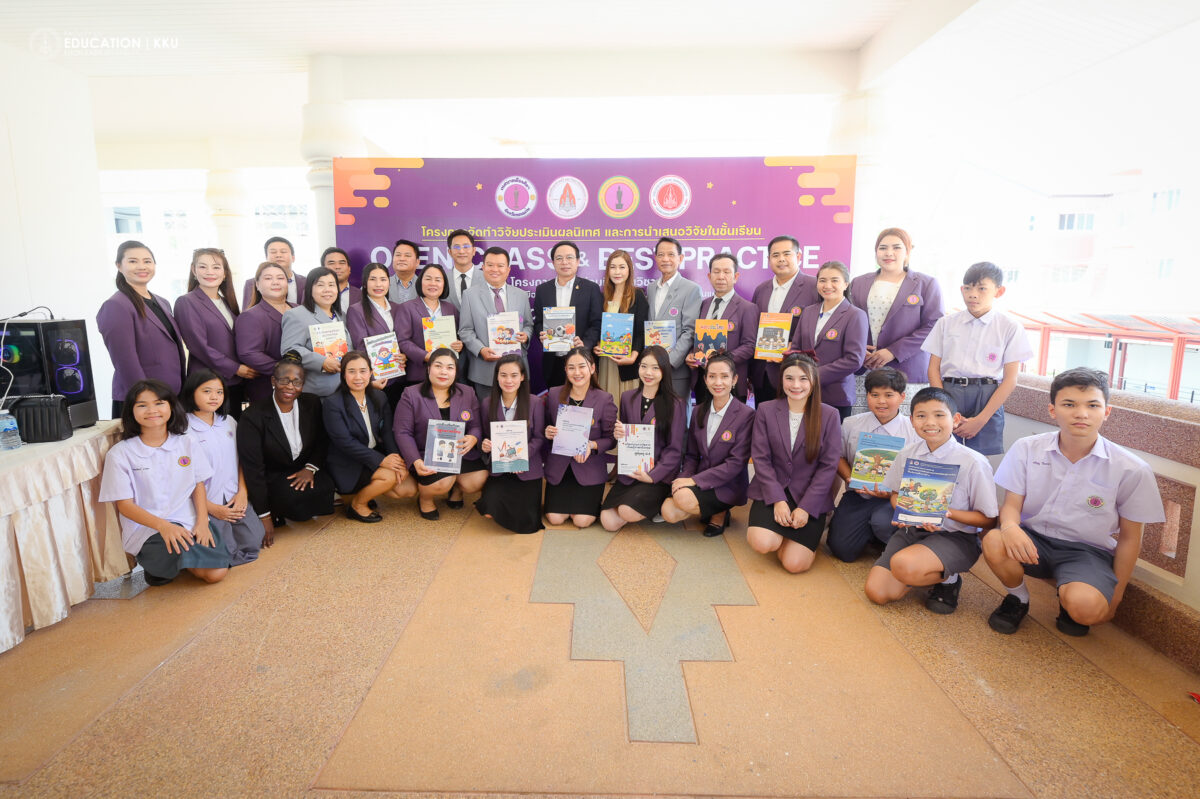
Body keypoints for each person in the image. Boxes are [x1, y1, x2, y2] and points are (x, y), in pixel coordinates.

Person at [982, 367, 1165, 636]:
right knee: (993, 541)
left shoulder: (1131, 468)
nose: (1081, 413)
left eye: (1092, 405)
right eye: (1069, 404)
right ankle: (1018, 598)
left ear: (1107, 411)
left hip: (1086, 551)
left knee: (1088, 610)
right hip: (1033, 540)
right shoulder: (1027, 448)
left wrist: (1116, 597)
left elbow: (1129, 538)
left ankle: (1070, 597)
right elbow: (1011, 505)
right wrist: (1010, 527)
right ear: (1052, 410)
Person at [863, 387, 999, 614]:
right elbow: (895, 494)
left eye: (939, 415)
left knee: (903, 565)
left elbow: (989, 520)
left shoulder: (973, 462)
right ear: (912, 421)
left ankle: (950, 579)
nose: (930, 422)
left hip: (954, 537)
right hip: (911, 531)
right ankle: (921, 566)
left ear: (955, 419)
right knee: (877, 593)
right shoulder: (907, 453)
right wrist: (904, 511)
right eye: (921, 416)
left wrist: (946, 514)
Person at [98, 379, 229, 585]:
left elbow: (198, 484)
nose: (152, 410)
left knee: (217, 573)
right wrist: (164, 526)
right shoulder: (120, 454)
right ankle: (163, 564)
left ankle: (168, 567)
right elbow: (125, 506)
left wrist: (203, 522)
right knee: (207, 570)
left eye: (159, 403)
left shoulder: (187, 442)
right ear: (131, 411)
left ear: (171, 406)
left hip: (188, 520)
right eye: (142, 405)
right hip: (149, 528)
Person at [923, 261, 1033, 456]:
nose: (973, 294)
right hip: (948, 393)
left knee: (980, 462)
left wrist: (981, 420)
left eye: (982, 288)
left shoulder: (1009, 326)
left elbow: (1010, 379)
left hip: (988, 396)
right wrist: (945, 408)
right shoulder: (946, 323)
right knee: (943, 455)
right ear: (961, 290)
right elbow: (933, 369)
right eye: (968, 288)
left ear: (999, 291)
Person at [745, 353, 841, 573]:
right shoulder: (766, 410)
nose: (796, 385)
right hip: (773, 490)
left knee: (794, 565)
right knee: (762, 543)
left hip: (809, 495)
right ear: (781, 380)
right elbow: (761, 459)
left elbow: (828, 467)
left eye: (803, 379)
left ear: (814, 381)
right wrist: (778, 500)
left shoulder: (830, 415)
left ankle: (805, 531)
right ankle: (780, 534)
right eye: (789, 378)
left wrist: (806, 508)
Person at [236, 353, 335, 546]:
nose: (290, 386)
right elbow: (253, 469)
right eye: (284, 380)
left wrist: (310, 468)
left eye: (297, 382)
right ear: (273, 381)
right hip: (273, 474)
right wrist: (264, 516)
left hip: (302, 468)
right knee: (290, 498)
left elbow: (322, 440)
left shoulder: (312, 403)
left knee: (325, 487)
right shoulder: (253, 416)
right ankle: (275, 510)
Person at [826, 368, 919, 562]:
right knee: (841, 549)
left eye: (889, 395)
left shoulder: (914, 430)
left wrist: (893, 492)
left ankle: (882, 535)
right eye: (874, 395)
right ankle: (869, 532)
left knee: (882, 522)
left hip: (895, 499)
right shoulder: (851, 424)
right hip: (859, 494)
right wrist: (850, 479)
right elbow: (838, 456)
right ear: (867, 395)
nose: (881, 401)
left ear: (902, 397)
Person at [661, 353, 754, 537]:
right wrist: (683, 479)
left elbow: (736, 464)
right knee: (668, 512)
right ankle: (707, 507)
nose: (718, 382)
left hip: (729, 483)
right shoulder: (698, 411)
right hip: (702, 476)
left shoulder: (746, 415)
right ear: (705, 380)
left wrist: (694, 481)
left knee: (682, 499)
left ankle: (720, 511)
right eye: (712, 376)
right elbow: (692, 456)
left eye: (724, 376)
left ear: (734, 380)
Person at [393, 348, 487, 520]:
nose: (444, 372)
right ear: (429, 368)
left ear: (456, 371)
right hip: (427, 455)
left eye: (450, 367)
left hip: (460, 453)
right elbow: (402, 432)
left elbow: (476, 426)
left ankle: (456, 490)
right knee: (442, 482)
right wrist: (416, 460)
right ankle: (425, 499)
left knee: (477, 480)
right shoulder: (411, 394)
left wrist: (473, 437)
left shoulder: (467, 392)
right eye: (438, 366)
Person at [181, 369, 264, 564]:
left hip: (233, 495)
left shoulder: (229, 422)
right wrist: (211, 508)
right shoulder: (182, 427)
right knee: (224, 551)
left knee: (254, 541)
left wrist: (242, 492)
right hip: (205, 501)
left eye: (219, 392)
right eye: (207, 391)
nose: (214, 397)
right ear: (192, 392)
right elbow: (182, 476)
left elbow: (241, 459)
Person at [322, 351, 416, 523]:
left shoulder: (379, 396)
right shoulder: (332, 403)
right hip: (347, 461)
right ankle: (357, 505)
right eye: (351, 371)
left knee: (408, 489)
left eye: (363, 371)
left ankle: (364, 492)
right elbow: (345, 443)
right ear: (343, 375)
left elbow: (387, 432)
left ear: (371, 373)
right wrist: (382, 460)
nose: (358, 377)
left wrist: (396, 460)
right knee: (389, 477)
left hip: (371, 455)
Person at [601, 346, 685, 532]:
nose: (648, 373)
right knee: (608, 522)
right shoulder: (627, 397)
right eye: (644, 366)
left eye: (655, 368)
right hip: (631, 472)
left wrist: (652, 475)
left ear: (664, 370)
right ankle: (637, 502)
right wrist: (619, 434)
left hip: (657, 475)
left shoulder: (675, 404)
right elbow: (626, 436)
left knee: (627, 511)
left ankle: (660, 501)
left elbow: (674, 450)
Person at [97, 240, 186, 417]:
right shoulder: (116, 305)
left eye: (147, 261)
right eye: (133, 261)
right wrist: (145, 398)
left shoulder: (162, 302)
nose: (142, 266)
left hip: (169, 394)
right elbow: (125, 360)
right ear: (118, 266)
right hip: (142, 400)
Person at [849, 227, 944, 384]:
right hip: (863, 367)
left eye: (896, 247)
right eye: (882, 248)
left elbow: (934, 326)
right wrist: (858, 348)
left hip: (906, 369)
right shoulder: (858, 282)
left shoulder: (926, 283)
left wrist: (893, 351)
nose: (888, 253)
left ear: (907, 252)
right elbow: (848, 321)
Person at [174, 247, 256, 419]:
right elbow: (199, 346)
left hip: (233, 382)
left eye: (216, 267)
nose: (209, 272)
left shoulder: (227, 302)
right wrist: (235, 368)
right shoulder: (186, 302)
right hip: (206, 383)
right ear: (194, 270)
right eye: (203, 266)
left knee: (231, 430)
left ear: (225, 273)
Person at [543, 347, 617, 528]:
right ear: (565, 370)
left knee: (581, 521)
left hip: (589, 467)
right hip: (560, 467)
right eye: (571, 367)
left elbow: (611, 440)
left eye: (582, 366)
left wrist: (591, 445)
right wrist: (548, 432)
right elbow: (546, 427)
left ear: (592, 368)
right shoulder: (554, 395)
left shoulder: (604, 399)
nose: (577, 372)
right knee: (555, 518)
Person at [475, 354, 546, 534]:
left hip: (526, 468)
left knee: (527, 522)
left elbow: (539, 438)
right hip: (500, 469)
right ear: (497, 377)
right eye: (503, 375)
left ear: (522, 377)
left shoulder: (535, 403)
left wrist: (519, 457)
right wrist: (485, 445)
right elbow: (485, 435)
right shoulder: (487, 403)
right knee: (489, 509)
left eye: (514, 375)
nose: (508, 380)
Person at [792, 260, 868, 420]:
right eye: (822, 280)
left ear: (846, 284)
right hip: (803, 392)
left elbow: (854, 359)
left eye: (834, 280)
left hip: (836, 395)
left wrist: (813, 375)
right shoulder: (808, 312)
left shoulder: (855, 315)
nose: (827, 286)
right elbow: (796, 348)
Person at [457, 246, 533, 401]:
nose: (495, 270)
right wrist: (480, 349)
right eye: (490, 265)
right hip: (484, 370)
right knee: (487, 412)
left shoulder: (521, 295)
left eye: (500, 265)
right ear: (483, 267)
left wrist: (525, 336)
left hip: (516, 369)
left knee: (518, 412)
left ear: (508, 269)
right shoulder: (470, 295)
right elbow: (465, 330)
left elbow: (528, 324)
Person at [749, 235, 820, 402]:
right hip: (763, 374)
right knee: (765, 416)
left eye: (787, 254)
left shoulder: (815, 287)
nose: (781, 259)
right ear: (769, 259)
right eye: (775, 255)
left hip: (798, 374)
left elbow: (822, 327)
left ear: (799, 256)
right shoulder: (761, 289)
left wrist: (795, 346)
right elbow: (753, 329)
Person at [533, 240, 604, 389]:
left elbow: (597, 323)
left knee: (582, 401)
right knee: (555, 400)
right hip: (553, 362)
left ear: (578, 261)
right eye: (559, 258)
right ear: (553, 262)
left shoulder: (591, 288)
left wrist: (585, 344)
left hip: (581, 361)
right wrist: (542, 334)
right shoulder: (543, 290)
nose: (564, 262)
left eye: (569, 257)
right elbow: (538, 322)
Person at [686, 252, 756, 403]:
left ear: (735, 276)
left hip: (731, 381)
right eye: (716, 272)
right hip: (704, 380)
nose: (721, 277)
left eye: (726, 272)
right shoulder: (703, 305)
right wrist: (692, 354)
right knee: (702, 417)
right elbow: (697, 338)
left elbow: (750, 346)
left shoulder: (747, 308)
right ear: (709, 276)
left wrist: (722, 361)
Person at [644, 236, 702, 400]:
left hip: (675, 370)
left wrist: (668, 362)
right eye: (661, 255)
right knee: (653, 412)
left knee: (677, 413)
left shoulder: (691, 289)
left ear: (680, 258)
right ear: (656, 258)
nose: (665, 259)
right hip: (651, 369)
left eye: (671, 254)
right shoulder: (651, 288)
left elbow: (690, 331)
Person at [345, 262, 407, 406]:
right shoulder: (356, 310)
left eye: (383, 279)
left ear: (389, 283)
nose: (378, 284)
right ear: (365, 283)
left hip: (400, 377)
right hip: (377, 379)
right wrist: (371, 379)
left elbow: (404, 339)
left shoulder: (398, 308)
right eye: (373, 279)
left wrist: (405, 355)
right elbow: (360, 347)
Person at [593, 249, 648, 408]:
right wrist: (597, 345)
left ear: (629, 270)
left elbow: (641, 332)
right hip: (606, 362)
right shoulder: (602, 296)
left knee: (627, 407)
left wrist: (633, 356)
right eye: (613, 267)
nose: (617, 272)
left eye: (622, 267)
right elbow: (597, 327)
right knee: (608, 405)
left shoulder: (638, 295)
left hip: (627, 362)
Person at [280, 266, 347, 398]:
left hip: (344, 388)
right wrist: (322, 362)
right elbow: (289, 349)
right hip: (317, 391)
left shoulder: (341, 315)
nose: (327, 289)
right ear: (310, 289)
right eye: (320, 285)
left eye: (331, 285)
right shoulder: (296, 315)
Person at [235, 262, 295, 404]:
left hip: (303, 385)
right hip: (268, 388)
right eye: (268, 278)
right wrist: (286, 371)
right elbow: (249, 353)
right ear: (257, 284)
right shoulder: (250, 316)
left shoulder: (299, 310)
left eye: (280, 278)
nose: (275, 282)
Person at [396, 264, 463, 387]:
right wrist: (426, 356)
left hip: (447, 375)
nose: (433, 283)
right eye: (428, 279)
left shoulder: (450, 309)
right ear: (420, 282)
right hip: (418, 374)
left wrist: (459, 344)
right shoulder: (407, 308)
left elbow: (458, 336)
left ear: (444, 284)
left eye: (438, 280)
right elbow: (403, 340)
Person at [241, 236, 305, 308]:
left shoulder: (307, 282)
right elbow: (248, 310)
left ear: (293, 258)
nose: (278, 255)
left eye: (283, 251)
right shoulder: (251, 283)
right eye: (273, 252)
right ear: (266, 258)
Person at [445, 229, 482, 309]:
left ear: (474, 251)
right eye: (456, 247)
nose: (461, 251)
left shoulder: (486, 279)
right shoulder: (442, 280)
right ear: (450, 252)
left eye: (466, 247)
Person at [321, 247, 354, 316]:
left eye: (342, 263)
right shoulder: (313, 294)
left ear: (349, 269)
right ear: (322, 268)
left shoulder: (361, 295)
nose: (337, 267)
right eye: (331, 263)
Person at [388, 238, 421, 304]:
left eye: (407, 255)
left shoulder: (424, 285)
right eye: (398, 255)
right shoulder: (382, 284)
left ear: (417, 262)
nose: (402, 259)